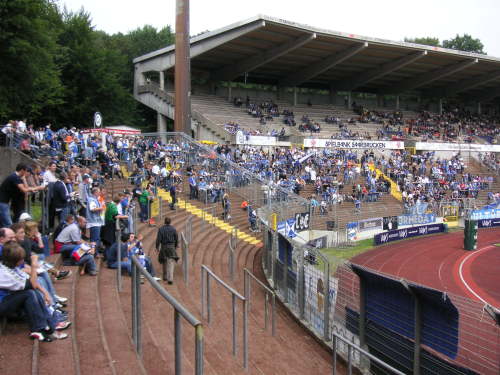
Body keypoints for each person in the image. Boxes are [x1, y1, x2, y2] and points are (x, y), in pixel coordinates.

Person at [0, 242, 68, 341]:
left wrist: (46, 294)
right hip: (2, 305)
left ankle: (47, 326)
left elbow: (32, 283)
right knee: (29, 293)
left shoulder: (11, 267)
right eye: (21, 259)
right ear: (15, 260)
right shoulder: (4, 273)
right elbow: (32, 283)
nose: (23, 261)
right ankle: (42, 327)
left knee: (33, 293)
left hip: (8, 300)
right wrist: (33, 265)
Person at [155, 217, 178, 284]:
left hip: (164, 247)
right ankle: (170, 279)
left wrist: (157, 247)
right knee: (170, 262)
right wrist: (176, 246)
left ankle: (165, 276)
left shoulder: (161, 229)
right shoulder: (173, 229)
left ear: (164, 222)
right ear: (170, 222)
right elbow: (176, 238)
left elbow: (158, 239)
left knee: (164, 260)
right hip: (171, 247)